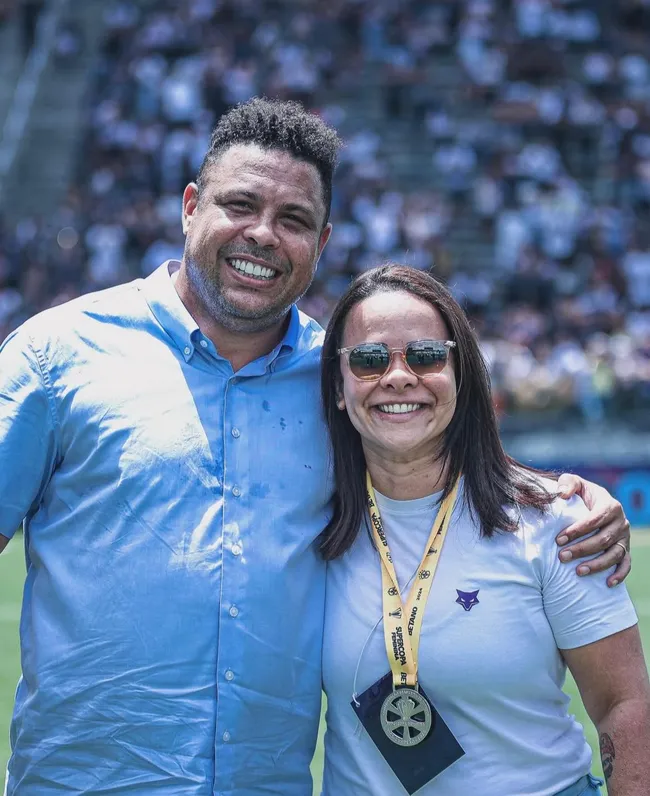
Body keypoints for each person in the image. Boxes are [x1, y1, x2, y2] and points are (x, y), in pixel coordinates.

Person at [0, 98, 634, 794]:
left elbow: (426, 439)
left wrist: (567, 495)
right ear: (189, 207)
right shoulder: (57, 355)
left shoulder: (341, 372)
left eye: (294, 220)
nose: (263, 235)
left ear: (323, 241)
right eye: (240, 205)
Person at [319, 264, 650, 796]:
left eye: (425, 356)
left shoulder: (560, 523)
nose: (398, 376)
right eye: (369, 358)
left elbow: (622, 705)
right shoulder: (309, 524)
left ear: (460, 373)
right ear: (339, 386)